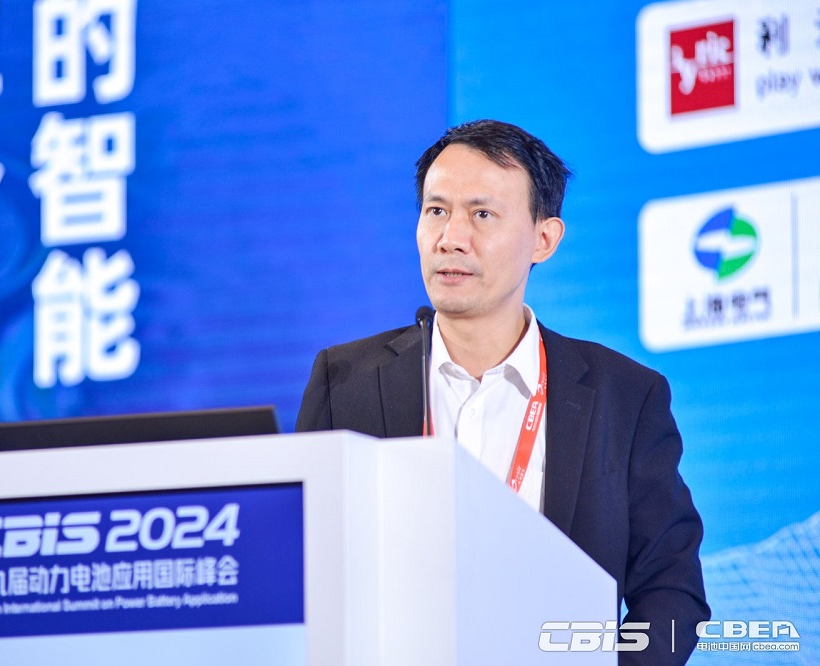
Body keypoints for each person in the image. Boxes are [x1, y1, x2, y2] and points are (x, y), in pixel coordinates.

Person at [296, 119, 709, 663]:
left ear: (544, 239)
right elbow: (299, 564)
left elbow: (671, 589)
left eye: (482, 214)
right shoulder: (345, 379)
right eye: (436, 211)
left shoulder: (625, 396)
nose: (451, 238)